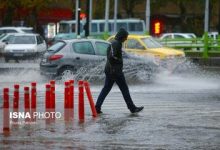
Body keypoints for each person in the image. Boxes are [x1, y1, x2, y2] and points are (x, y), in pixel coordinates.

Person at [95, 28, 144, 114]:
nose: (126, 39)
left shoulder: (115, 43)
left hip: (111, 70)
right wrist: (119, 61)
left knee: (106, 89)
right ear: (122, 36)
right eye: (125, 37)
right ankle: (132, 108)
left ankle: (97, 107)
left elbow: (112, 55)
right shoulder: (116, 43)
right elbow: (111, 56)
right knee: (124, 89)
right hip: (115, 71)